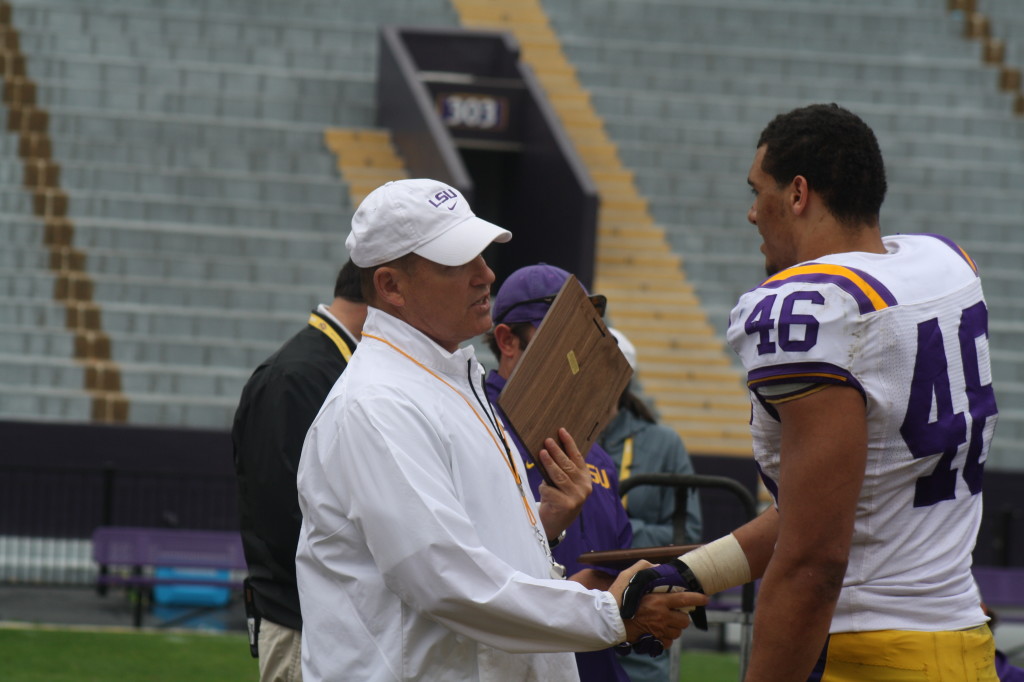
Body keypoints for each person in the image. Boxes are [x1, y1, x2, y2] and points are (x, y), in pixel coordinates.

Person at [627, 104, 1000, 680]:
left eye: (758, 191)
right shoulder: (943, 266)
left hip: (870, 656)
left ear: (798, 194)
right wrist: (696, 572)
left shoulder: (818, 309)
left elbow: (814, 560)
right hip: (958, 646)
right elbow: (843, 504)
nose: (752, 214)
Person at [293, 178, 707, 682]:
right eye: (456, 262)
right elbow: (446, 581)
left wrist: (542, 520)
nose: (485, 274)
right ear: (390, 286)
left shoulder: (442, 383)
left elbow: (456, 548)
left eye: (482, 255)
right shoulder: (377, 404)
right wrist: (609, 612)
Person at [484, 263, 634, 682]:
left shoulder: (596, 453)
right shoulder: (478, 432)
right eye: (560, 335)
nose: (581, 349)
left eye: (586, 334)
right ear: (507, 340)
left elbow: (618, 553)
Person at [231, 260, 368, 682]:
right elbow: (286, 516)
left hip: (332, 622)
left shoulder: (329, 368)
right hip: (304, 625)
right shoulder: (297, 376)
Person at [599, 327, 702, 682]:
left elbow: (688, 534)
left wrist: (616, 533)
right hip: (572, 617)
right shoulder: (553, 437)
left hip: (640, 618)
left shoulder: (665, 443)